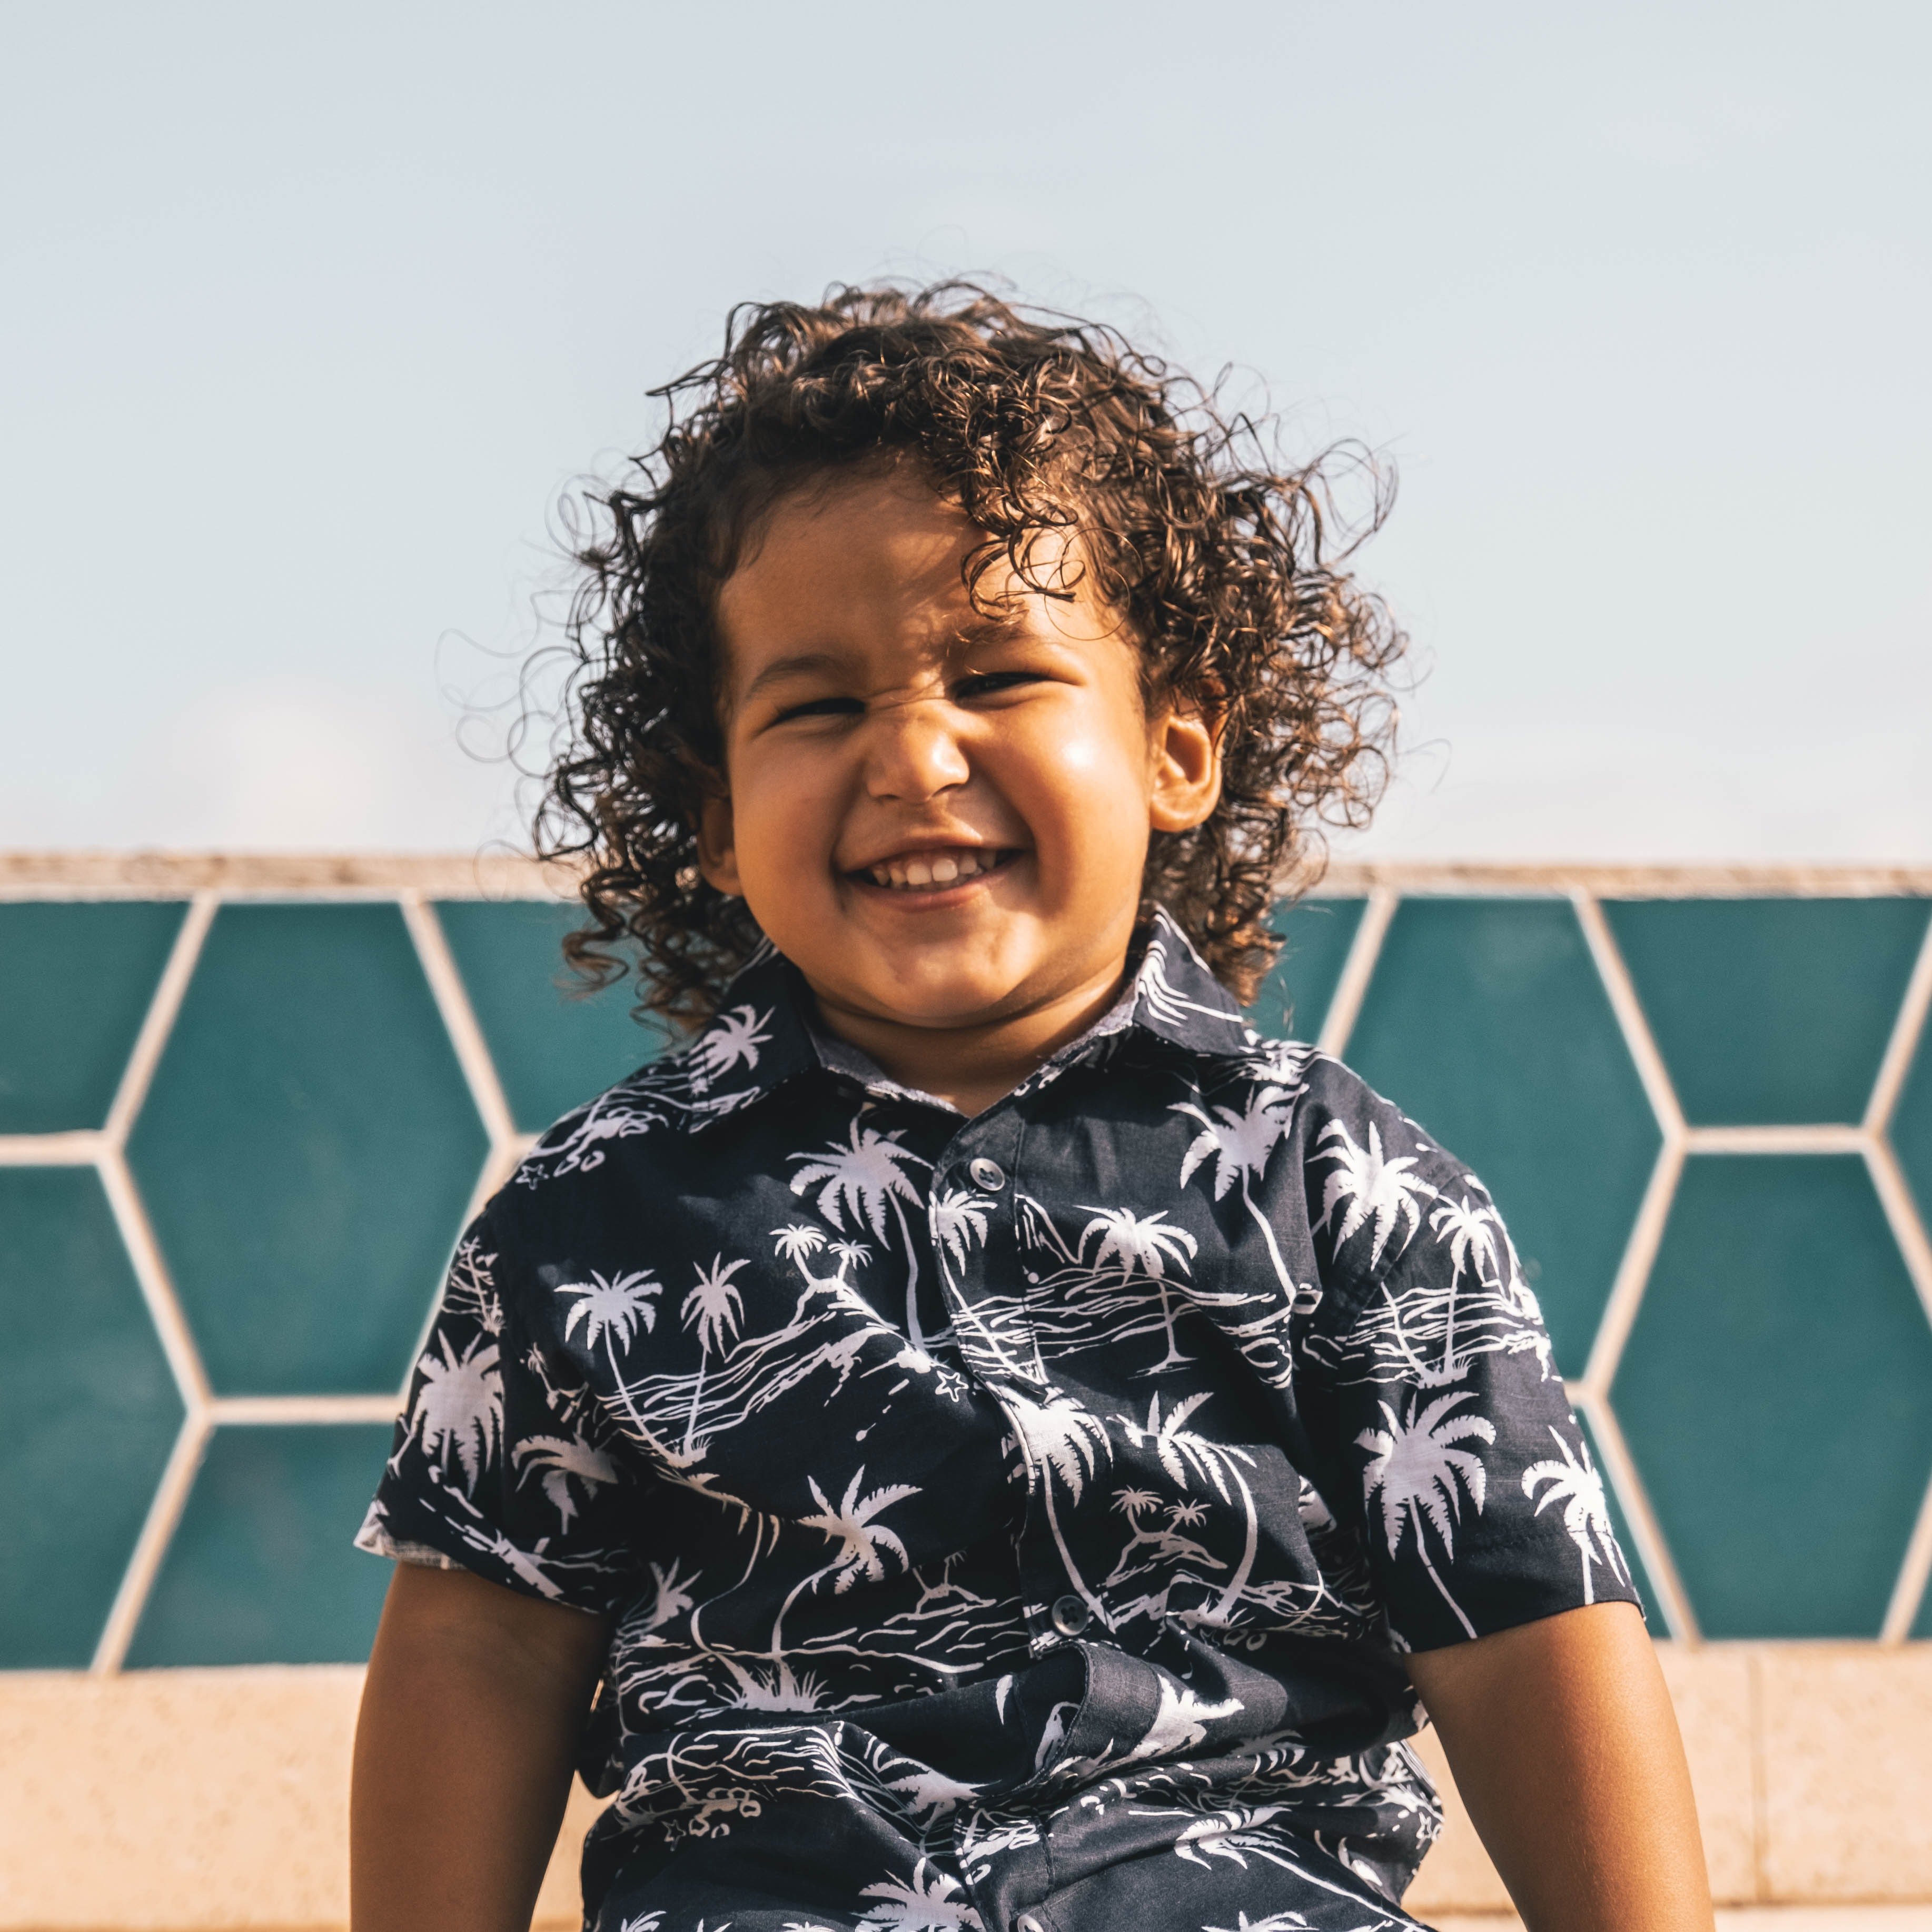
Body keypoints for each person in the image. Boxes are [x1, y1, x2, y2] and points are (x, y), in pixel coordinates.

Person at [350, 284, 1712, 1932]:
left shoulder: (1341, 1186)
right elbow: (477, 1644)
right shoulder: (594, 1219)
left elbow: (1528, 1629)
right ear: (715, 818)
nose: (916, 754)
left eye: (997, 674)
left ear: (1177, 751)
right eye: (819, 704)